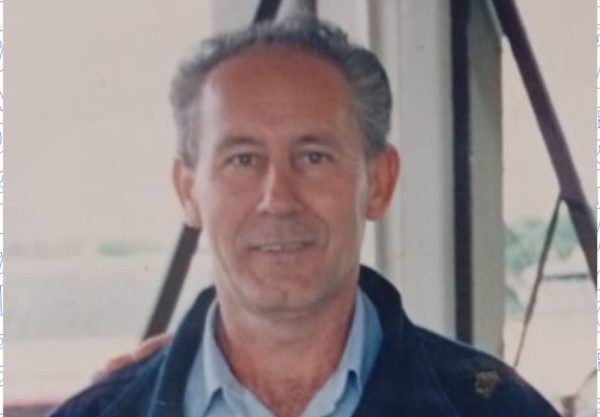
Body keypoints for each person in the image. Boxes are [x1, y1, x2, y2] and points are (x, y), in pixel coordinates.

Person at [49, 16, 560, 417]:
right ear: (188, 192)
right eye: (242, 160)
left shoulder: (500, 409)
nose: (278, 198)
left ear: (379, 182)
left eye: (314, 157)